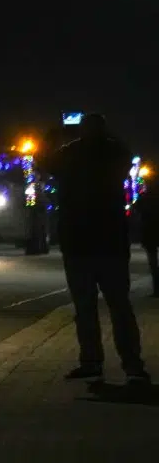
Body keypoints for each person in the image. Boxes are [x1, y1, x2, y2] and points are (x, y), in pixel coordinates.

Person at [49, 113, 148, 384]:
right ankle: (132, 364)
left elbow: (46, 163)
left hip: (78, 242)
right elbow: (126, 158)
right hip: (110, 241)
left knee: (85, 308)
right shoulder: (115, 152)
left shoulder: (70, 154)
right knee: (120, 306)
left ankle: (92, 361)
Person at [135, 175, 159, 298]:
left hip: (150, 232)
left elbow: (137, 209)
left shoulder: (144, 197)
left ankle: (157, 288)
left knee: (153, 262)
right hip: (152, 231)